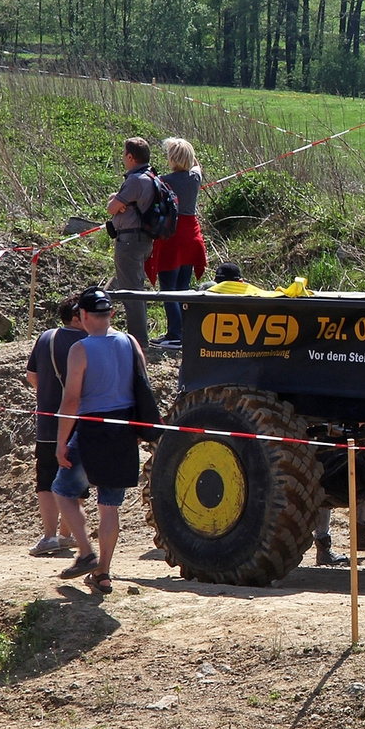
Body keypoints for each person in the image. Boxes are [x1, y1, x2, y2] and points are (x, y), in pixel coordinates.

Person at [53, 286, 149, 594]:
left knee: (63, 489)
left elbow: (70, 401)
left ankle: (85, 552)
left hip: (91, 430)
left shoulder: (80, 350)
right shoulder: (130, 342)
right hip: (123, 430)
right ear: (111, 314)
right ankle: (103, 574)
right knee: (110, 506)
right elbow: (142, 388)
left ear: (81, 316)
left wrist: (60, 442)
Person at [22, 296, 89, 557]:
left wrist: (48, 395)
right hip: (81, 421)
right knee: (77, 479)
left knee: (46, 479)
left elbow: (32, 376)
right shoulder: (89, 343)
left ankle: (49, 536)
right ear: (77, 317)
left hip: (49, 421)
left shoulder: (47, 337)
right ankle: (66, 534)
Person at [146, 137, 207, 348]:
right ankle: (184, 331)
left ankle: (174, 334)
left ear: (172, 159)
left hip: (171, 236)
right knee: (183, 287)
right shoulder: (194, 178)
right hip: (191, 236)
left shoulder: (163, 181)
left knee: (168, 288)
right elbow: (198, 166)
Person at [106, 137, 157, 348]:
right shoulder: (152, 176)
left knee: (131, 292)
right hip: (142, 240)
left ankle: (139, 342)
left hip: (130, 240)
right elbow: (116, 203)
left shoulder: (136, 180)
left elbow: (111, 207)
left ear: (130, 157)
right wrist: (117, 200)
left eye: (124, 154)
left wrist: (115, 201)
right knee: (129, 285)